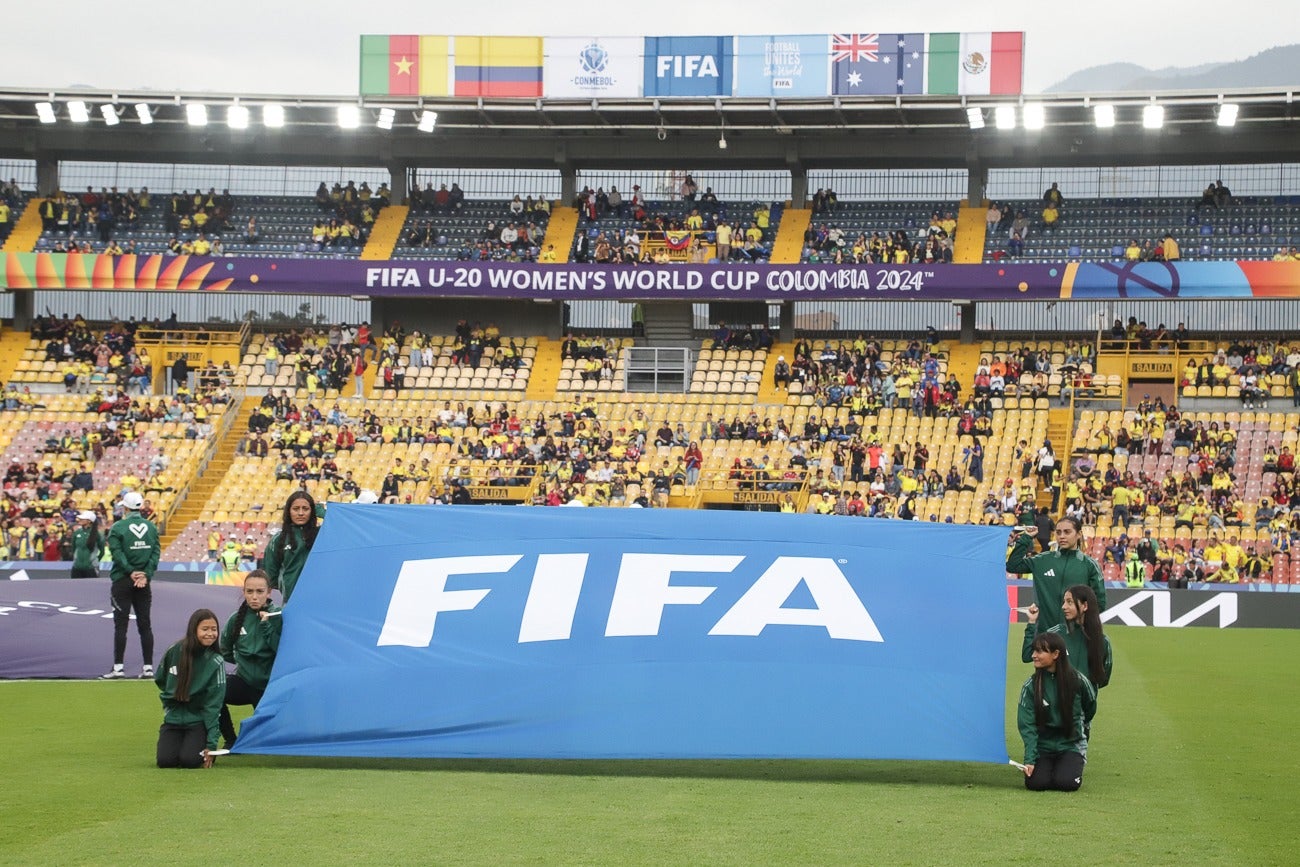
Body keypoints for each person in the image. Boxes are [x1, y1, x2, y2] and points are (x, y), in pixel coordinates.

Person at [1019, 631, 1096, 792]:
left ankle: (1070, 765)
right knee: (1035, 784)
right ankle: (1048, 768)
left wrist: (1080, 729)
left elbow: (1090, 707)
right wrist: (1030, 760)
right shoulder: (1031, 686)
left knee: (1067, 783)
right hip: (1043, 747)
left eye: (1040, 651)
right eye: (1034, 651)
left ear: (1055, 654)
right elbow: (1027, 726)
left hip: (1070, 746)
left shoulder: (1078, 681)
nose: (1033, 655)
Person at [1006, 516, 1106, 635]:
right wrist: (1026, 537)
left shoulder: (1089, 565)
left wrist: (1082, 624)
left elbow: (1099, 602)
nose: (1062, 536)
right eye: (1058, 532)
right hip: (1044, 636)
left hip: (1076, 636)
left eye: (1067, 532)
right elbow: (1012, 566)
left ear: (1079, 534)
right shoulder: (1043, 560)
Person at [155, 608, 226, 769]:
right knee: (165, 762)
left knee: (190, 761)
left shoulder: (216, 661)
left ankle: (196, 746)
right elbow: (160, 678)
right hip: (172, 720)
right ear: (194, 630)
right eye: (205, 629)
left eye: (214, 629)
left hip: (197, 722)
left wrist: (211, 745)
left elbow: (214, 705)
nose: (210, 634)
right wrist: (171, 702)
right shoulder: (174, 650)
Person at [218, 570, 282, 748]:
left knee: (270, 743)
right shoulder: (235, 619)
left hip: (270, 687)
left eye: (260, 592)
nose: (254, 597)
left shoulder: (279, 616)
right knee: (214, 693)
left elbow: (280, 649)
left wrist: (266, 626)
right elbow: (225, 649)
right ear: (244, 592)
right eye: (249, 591)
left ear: (269, 592)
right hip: (244, 681)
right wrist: (241, 662)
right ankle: (231, 740)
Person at [102, 491, 160, 679]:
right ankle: (148, 668)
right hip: (144, 581)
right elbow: (155, 553)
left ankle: (118, 668)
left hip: (122, 580)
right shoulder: (151, 527)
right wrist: (145, 575)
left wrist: (130, 572)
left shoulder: (118, 527)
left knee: (121, 626)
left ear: (125, 507)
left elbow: (116, 553)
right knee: (145, 625)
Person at [1022, 584, 1112, 697]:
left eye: (1070, 602)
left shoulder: (1103, 642)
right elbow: (1027, 655)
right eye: (1064, 602)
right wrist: (1031, 622)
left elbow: (1102, 679)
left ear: (1085, 606)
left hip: (1083, 710)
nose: (1064, 606)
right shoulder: (1056, 634)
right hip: (1055, 706)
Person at [263, 491, 321, 604]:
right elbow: (270, 575)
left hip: (318, 600)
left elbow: (344, 527)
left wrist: (321, 511)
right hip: (289, 602)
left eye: (305, 509)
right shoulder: (278, 539)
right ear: (288, 511)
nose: (300, 513)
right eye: (296, 509)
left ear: (312, 511)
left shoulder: (322, 535)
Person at [70, 510, 101, 578]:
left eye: (82, 518)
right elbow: (73, 548)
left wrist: (93, 560)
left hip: (91, 568)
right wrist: (76, 560)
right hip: (77, 567)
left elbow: (102, 551)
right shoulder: (77, 533)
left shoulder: (97, 534)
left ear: (89, 521)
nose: (80, 520)